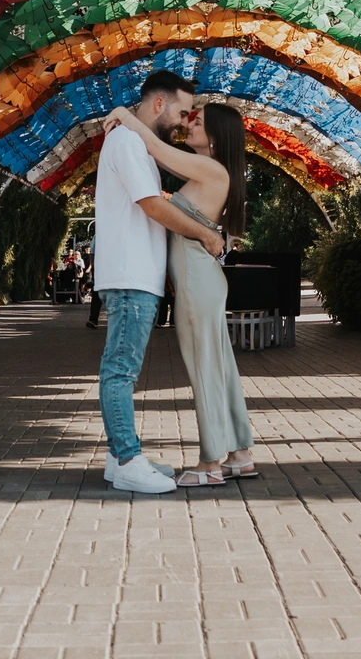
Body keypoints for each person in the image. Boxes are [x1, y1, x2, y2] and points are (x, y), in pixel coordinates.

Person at [102, 100, 258, 487]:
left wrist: (125, 115)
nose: (189, 124)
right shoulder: (214, 170)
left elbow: (155, 149)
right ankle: (239, 455)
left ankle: (210, 464)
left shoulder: (210, 168)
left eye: (198, 121)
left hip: (195, 280)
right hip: (200, 279)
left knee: (204, 367)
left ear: (218, 135)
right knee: (219, 365)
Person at [91, 70, 222, 494]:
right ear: (159, 104)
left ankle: (118, 457)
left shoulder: (137, 144)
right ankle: (128, 460)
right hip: (130, 277)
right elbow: (150, 205)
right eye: (184, 112)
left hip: (138, 276)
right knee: (120, 371)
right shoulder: (127, 142)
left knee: (123, 368)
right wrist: (203, 232)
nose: (187, 121)